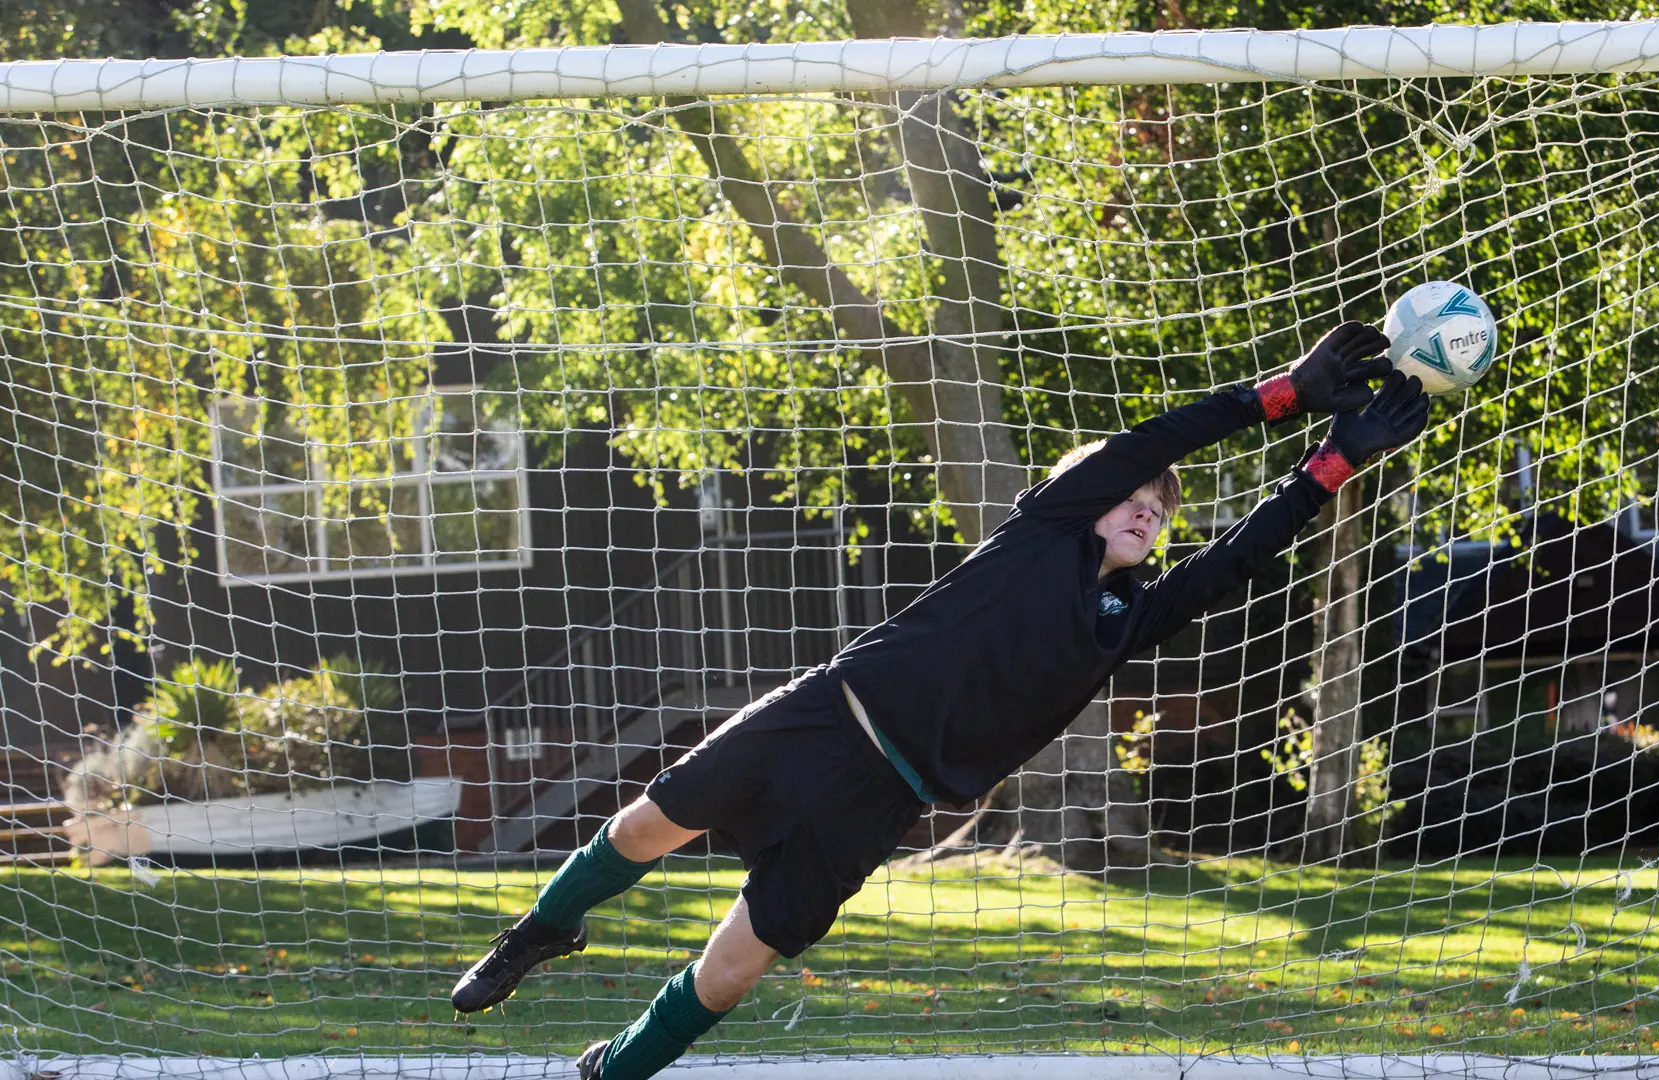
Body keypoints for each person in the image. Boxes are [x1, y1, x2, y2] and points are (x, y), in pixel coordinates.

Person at [448, 323, 1431, 1080]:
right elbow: (1151, 436)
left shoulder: (1125, 620)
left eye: (1160, 510)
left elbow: (1233, 561)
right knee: (648, 820)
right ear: (1086, 493)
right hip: (826, 713)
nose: (1146, 506)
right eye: (1133, 493)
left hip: (886, 793)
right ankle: (541, 930)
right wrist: (1281, 397)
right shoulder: (1040, 529)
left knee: (737, 962)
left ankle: (616, 1069)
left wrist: (1327, 468)